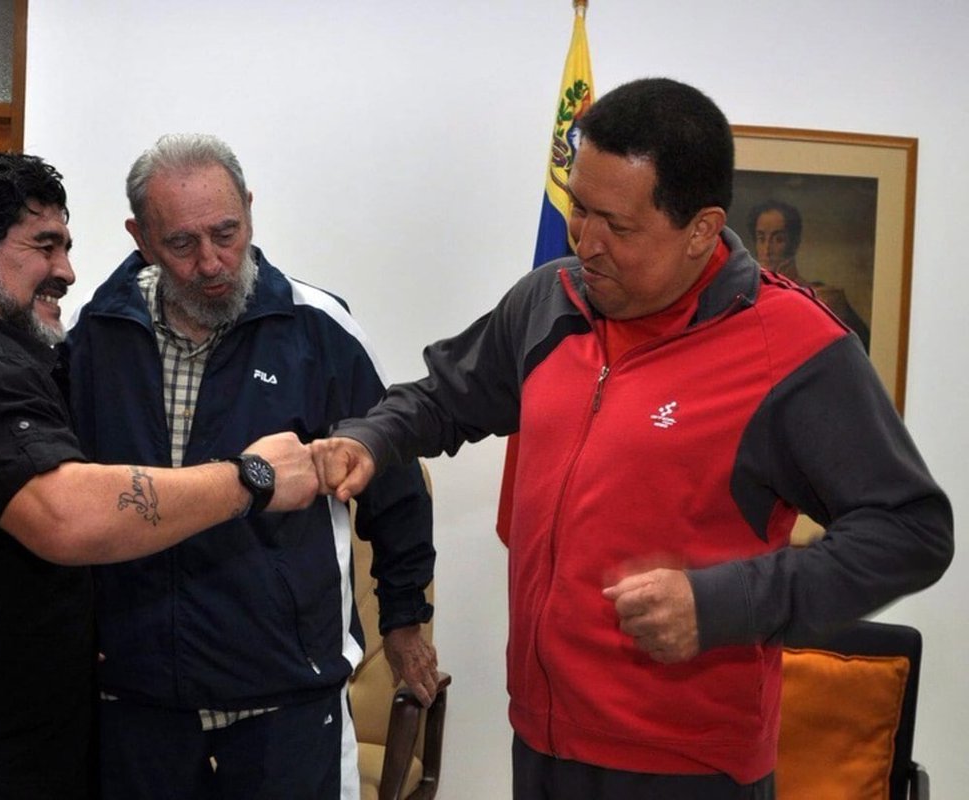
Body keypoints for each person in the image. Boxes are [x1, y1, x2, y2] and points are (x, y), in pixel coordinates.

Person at [312, 78, 953, 799]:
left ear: (702, 230)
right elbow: (442, 396)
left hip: (687, 766)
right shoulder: (550, 299)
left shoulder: (793, 348)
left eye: (616, 226)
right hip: (543, 740)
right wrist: (370, 438)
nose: (585, 243)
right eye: (579, 208)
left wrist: (723, 604)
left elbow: (911, 532)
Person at [0, 152, 320, 800]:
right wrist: (251, 478)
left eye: (66, 247)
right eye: (44, 247)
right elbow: (67, 516)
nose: (67, 271)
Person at [62, 133, 438, 800]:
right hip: (138, 698)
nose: (212, 261)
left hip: (285, 696)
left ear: (250, 211)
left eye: (226, 232)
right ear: (141, 239)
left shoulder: (318, 329)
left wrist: (404, 618)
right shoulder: (94, 339)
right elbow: (65, 502)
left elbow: (395, 484)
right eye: (183, 243)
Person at [748, 198, 871, 349]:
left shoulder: (825, 298)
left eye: (778, 239)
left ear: (794, 243)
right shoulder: (747, 297)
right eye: (761, 239)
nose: (767, 249)